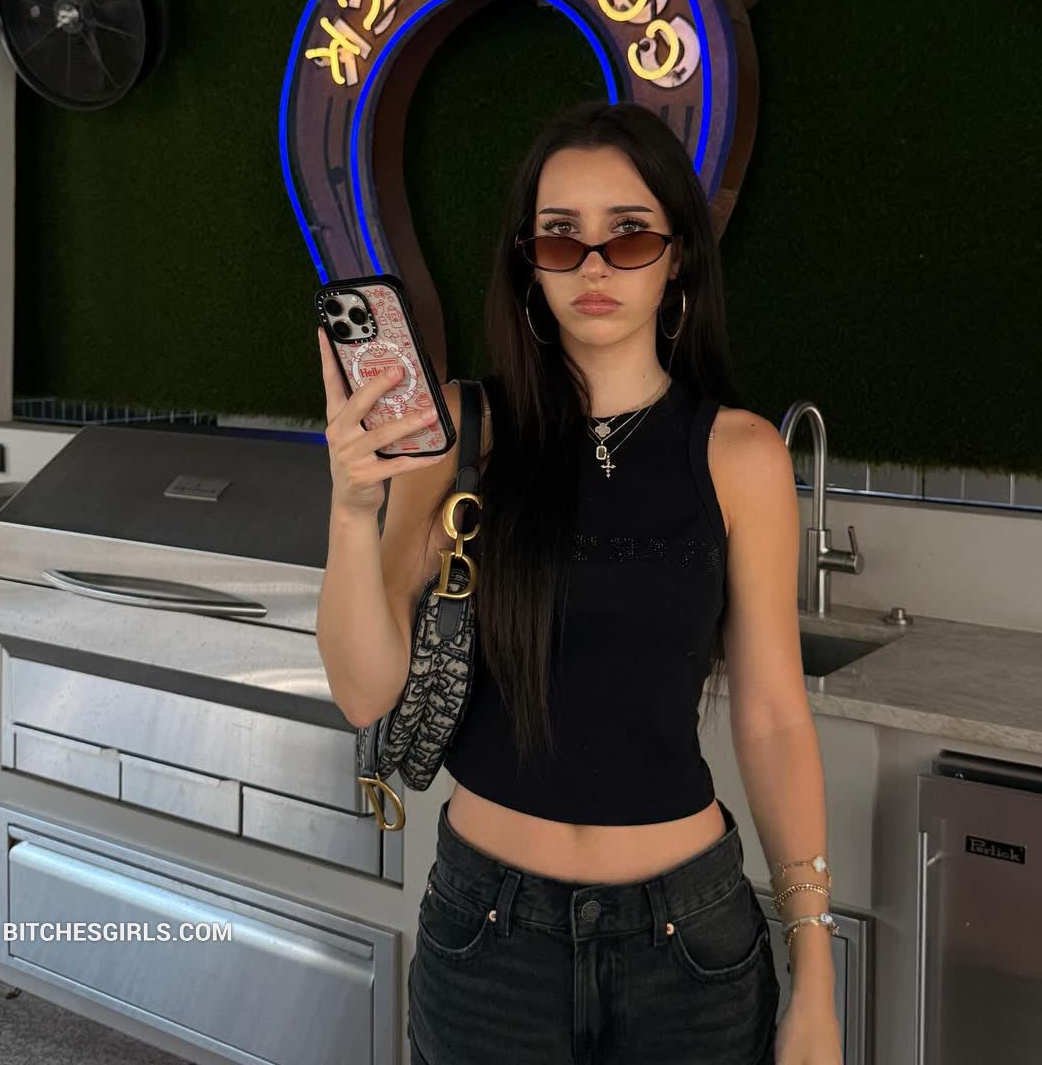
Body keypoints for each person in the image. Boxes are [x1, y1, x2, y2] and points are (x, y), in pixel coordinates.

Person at [318, 101, 844, 1064]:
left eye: (628, 234)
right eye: (561, 238)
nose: (594, 266)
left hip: (690, 943)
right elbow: (364, 692)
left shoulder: (741, 455)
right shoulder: (461, 432)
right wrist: (352, 511)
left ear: (676, 258)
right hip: (486, 940)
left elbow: (771, 717)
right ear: (530, 263)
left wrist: (816, 968)